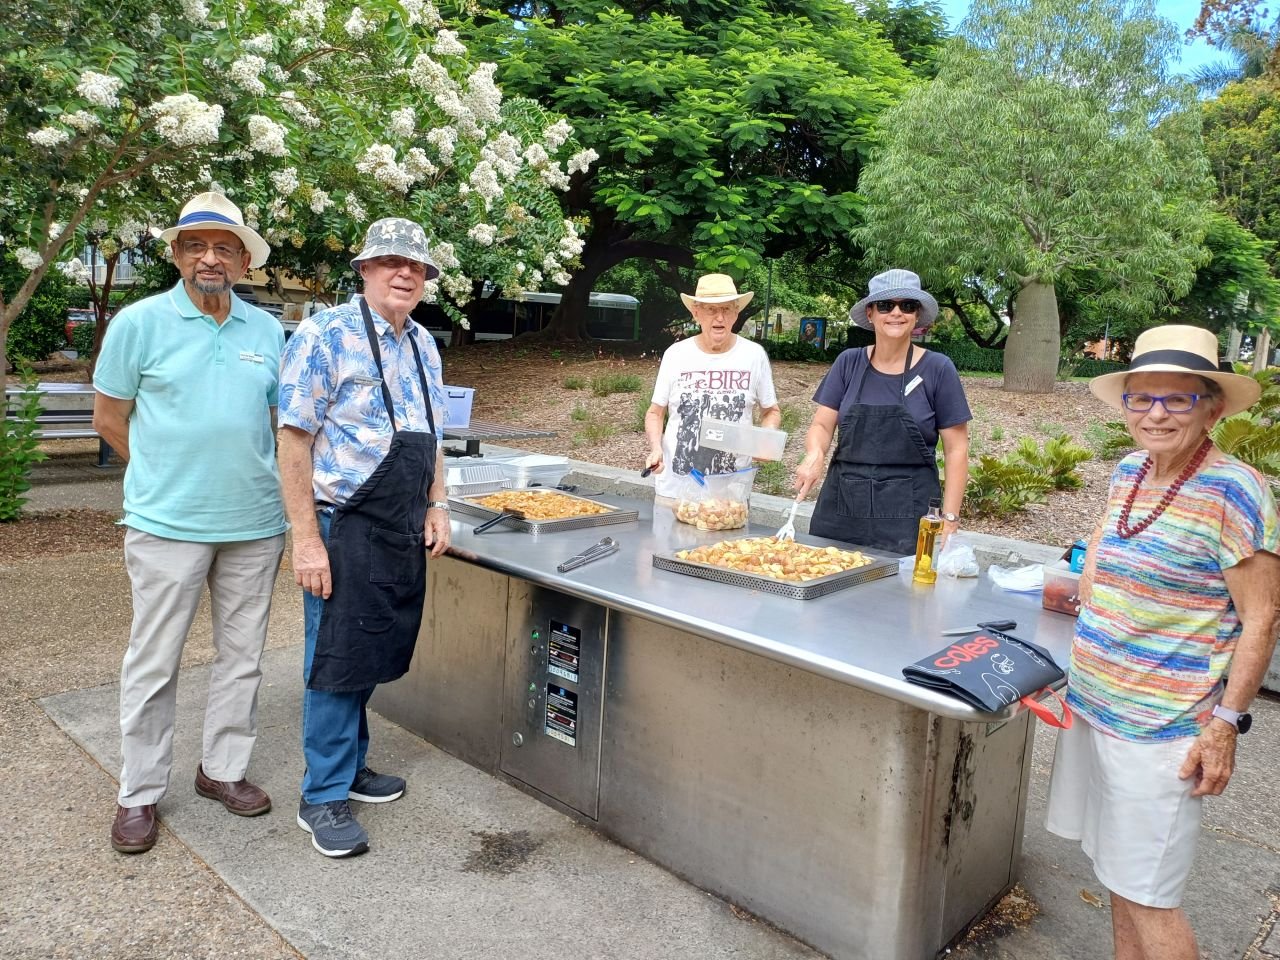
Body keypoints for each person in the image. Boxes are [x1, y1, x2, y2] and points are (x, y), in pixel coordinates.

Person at [1046, 324, 1280, 960]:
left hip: (1166, 726)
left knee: (1151, 897)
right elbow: (1097, 562)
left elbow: (1261, 618)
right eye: (1142, 398)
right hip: (1096, 706)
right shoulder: (1130, 470)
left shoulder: (1235, 489)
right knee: (1116, 876)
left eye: (1177, 399)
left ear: (1212, 407)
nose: (1156, 413)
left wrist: (1225, 725)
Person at [93, 192, 288, 854]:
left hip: (255, 523)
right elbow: (108, 418)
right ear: (176, 254)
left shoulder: (266, 332)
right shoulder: (139, 323)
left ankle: (222, 770)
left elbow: (275, 421)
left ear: (243, 260)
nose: (211, 257)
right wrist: (157, 475)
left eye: (225, 246)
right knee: (154, 661)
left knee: (243, 656)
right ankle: (139, 793)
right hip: (167, 524)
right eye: (197, 245)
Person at [277, 217, 451, 858]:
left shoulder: (425, 345)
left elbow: (431, 437)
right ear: (365, 269)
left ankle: (351, 768)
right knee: (334, 660)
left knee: (371, 649)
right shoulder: (325, 335)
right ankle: (322, 797)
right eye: (391, 262)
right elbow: (292, 440)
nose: (405, 273)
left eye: (417, 267)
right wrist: (306, 540)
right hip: (341, 524)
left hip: (400, 524)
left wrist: (438, 504)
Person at [794, 269, 970, 554]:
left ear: (917, 316)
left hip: (909, 517)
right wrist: (814, 455)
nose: (897, 313)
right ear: (871, 312)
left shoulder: (938, 369)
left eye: (907, 306)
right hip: (841, 509)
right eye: (887, 305)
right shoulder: (847, 363)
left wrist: (949, 521)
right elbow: (823, 426)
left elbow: (957, 450)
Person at [643, 274, 781, 498]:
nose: (720, 317)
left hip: (731, 492)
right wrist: (656, 449)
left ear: (736, 313)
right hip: (676, 489)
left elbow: (771, 411)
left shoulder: (754, 355)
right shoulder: (676, 355)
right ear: (696, 313)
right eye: (711, 310)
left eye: (727, 309)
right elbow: (655, 413)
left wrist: (766, 439)